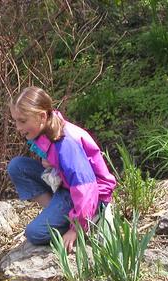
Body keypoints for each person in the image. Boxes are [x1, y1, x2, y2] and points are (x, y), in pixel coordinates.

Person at [7, 86, 116, 252]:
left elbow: (85, 188)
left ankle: (86, 220)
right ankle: (58, 214)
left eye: (22, 121)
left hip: (92, 196)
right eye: (15, 120)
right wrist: (50, 162)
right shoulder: (49, 126)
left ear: (42, 116)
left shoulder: (66, 144)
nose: (18, 127)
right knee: (18, 167)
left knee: (35, 233)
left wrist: (76, 229)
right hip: (67, 186)